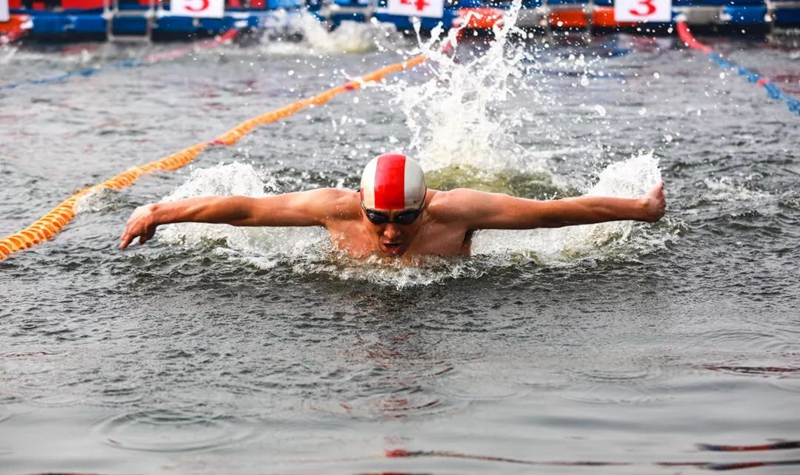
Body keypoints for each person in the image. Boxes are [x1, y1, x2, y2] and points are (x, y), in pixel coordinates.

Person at [120, 153, 666, 260]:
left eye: (404, 219)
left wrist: (640, 208)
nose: (388, 234)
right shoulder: (332, 207)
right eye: (376, 219)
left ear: (424, 206)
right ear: (359, 204)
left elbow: (555, 212)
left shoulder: (458, 209)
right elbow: (244, 210)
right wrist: (158, 212)